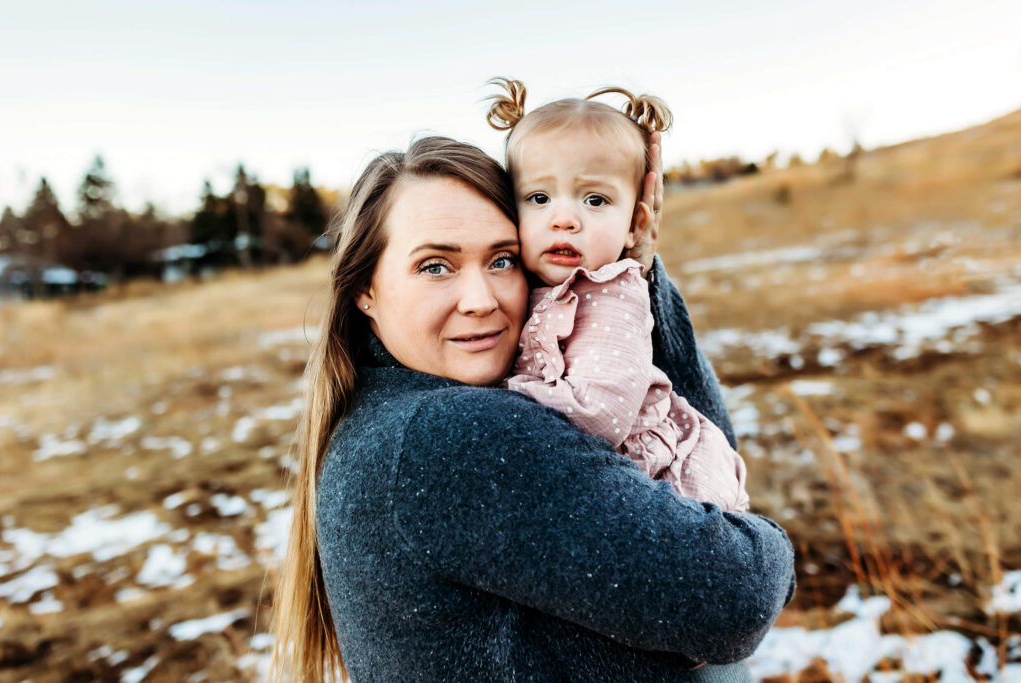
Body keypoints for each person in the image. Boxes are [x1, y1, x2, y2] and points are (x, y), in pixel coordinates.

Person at [270, 135, 795, 682]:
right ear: (364, 290)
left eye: (502, 259)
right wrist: (773, 552)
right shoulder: (450, 438)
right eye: (434, 267)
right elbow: (737, 595)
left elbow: (700, 448)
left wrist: (630, 277)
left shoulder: (392, 416)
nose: (481, 300)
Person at [488, 78, 750, 513]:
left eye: (594, 199)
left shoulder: (614, 295)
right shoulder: (526, 287)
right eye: (539, 197)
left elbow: (597, 415)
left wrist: (493, 397)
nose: (565, 218)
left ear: (635, 224)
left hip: (666, 479)